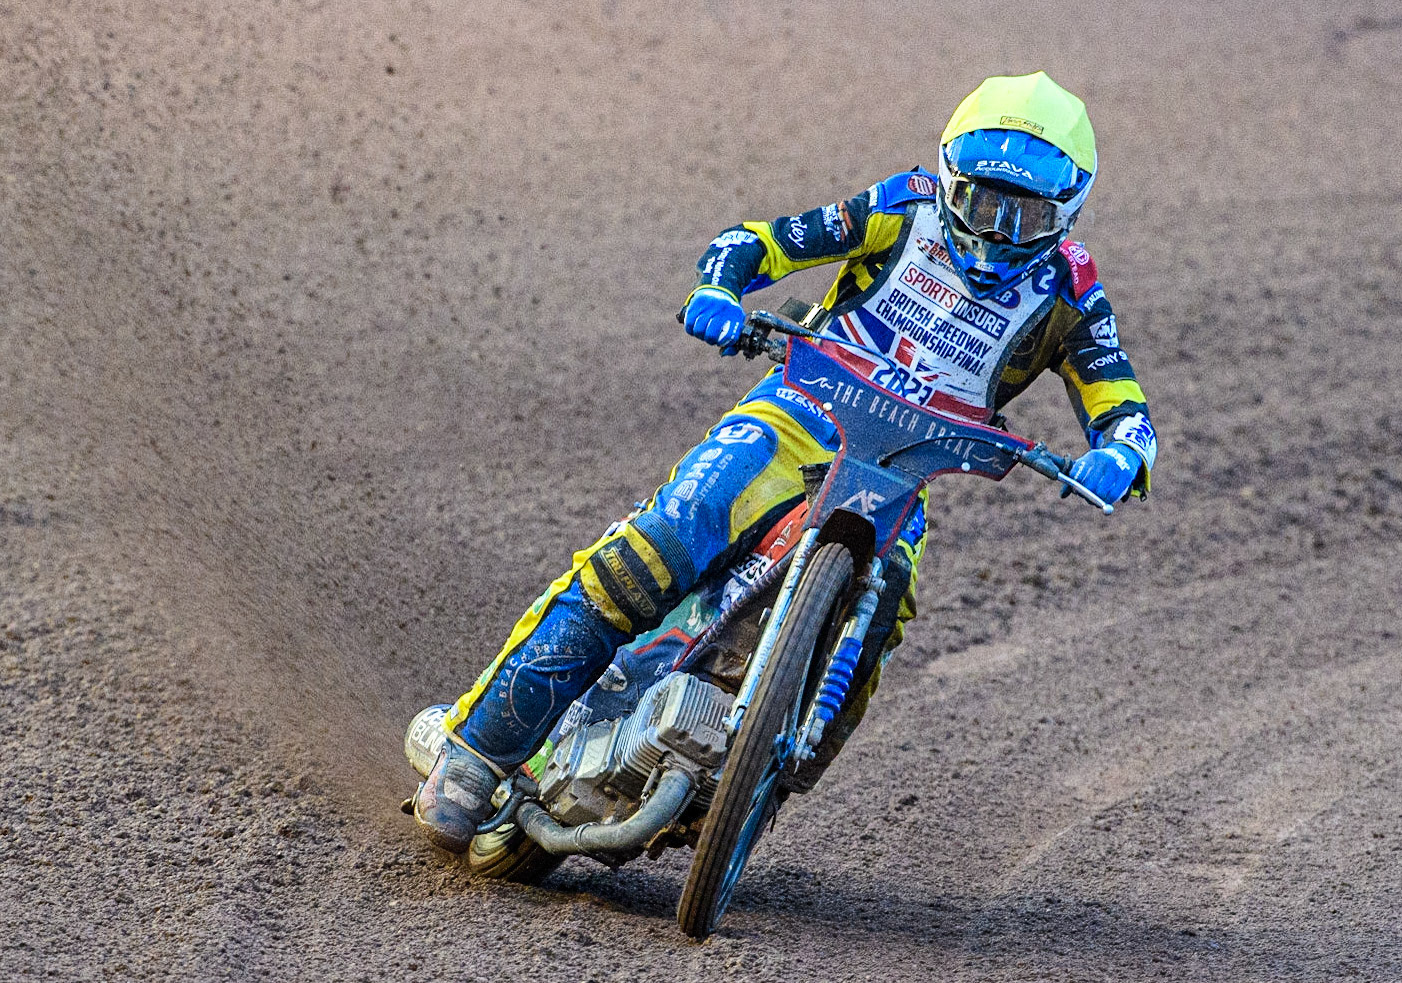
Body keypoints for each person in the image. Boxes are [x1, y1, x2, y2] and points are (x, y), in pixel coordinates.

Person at [414, 71, 1158, 853]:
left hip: (905, 470)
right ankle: (473, 752)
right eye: (981, 202)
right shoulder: (899, 209)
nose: (999, 231)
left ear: (1067, 211)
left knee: (881, 614)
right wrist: (720, 289)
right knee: (662, 542)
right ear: (949, 181)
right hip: (797, 416)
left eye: (1026, 213)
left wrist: (1120, 451)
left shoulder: (1070, 292)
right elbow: (757, 242)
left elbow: (1122, 400)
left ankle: (755, 785)